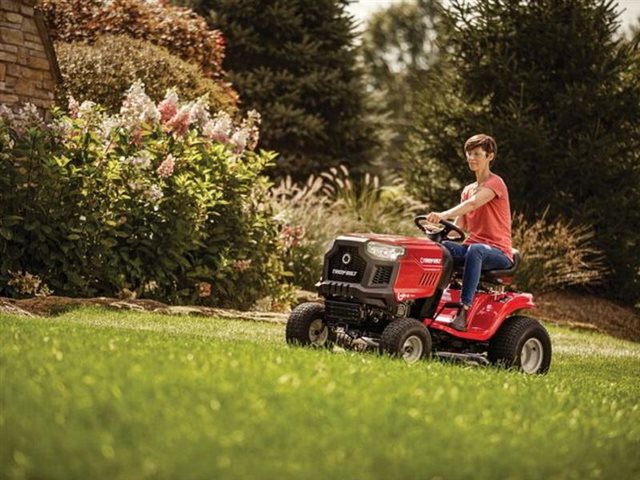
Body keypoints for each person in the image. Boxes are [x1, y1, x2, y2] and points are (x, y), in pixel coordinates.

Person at [426, 134, 513, 331]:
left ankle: (464, 311)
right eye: (469, 154)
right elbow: (460, 229)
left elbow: (473, 203)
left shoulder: (495, 183)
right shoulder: (467, 189)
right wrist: (439, 234)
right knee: (438, 248)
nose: (471, 158)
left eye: (477, 154)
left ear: (489, 156)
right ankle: (427, 302)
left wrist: (442, 214)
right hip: (473, 247)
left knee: (476, 250)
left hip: (498, 252)